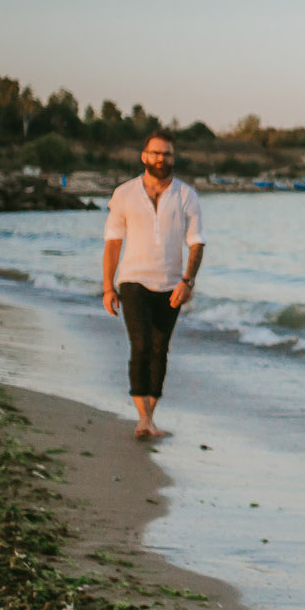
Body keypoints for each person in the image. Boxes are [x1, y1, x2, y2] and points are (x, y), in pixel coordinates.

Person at [101, 129, 205, 440]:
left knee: (161, 349)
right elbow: (112, 243)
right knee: (141, 344)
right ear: (144, 156)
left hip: (172, 284)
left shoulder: (187, 195)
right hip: (133, 280)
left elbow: (197, 243)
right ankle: (143, 417)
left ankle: (151, 414)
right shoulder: (124, 194)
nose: (161, 158)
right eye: (156, 153)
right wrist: (108, 286)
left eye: (167, 154)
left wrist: (188, 282)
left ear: (174, 158)